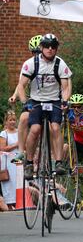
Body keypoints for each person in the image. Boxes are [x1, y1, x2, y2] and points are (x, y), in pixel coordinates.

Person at [17, 33, 72, 180]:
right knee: (35, 129)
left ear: (56, 49)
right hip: (36, 101)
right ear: (41, 47)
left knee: (55, 127)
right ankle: (29, 163)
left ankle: (58, 162)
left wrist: (65, 101)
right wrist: (25, 102)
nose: (50, 49)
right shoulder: (31, 63)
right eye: (47, 46)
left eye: (53, 47)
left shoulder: (60, 64)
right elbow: (21, 86)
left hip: (54, 101)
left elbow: (65, 87)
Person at [8, 35, 42, 163]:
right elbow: (21, 84)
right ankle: (21, 151)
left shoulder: (52, 63)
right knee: (23, 118)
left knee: (51, 126)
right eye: (34, 52)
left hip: (48, 99)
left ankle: (53, 156)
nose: (36, 54)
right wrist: (14, 95)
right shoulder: (28, 64)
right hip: (32, 99)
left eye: (38, 51)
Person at [0, 110, 19, 210]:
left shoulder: (19, 132)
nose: (12, 122)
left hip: (19, 163)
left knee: (19, 183)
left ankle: (20, 204)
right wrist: (16, 144)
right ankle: (10, 207)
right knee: (9, 185)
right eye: (10, 120)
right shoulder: (4, 133)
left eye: (14, 120)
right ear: (6, 121)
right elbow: (2, 148)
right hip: (8, 164)